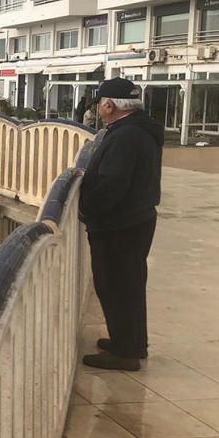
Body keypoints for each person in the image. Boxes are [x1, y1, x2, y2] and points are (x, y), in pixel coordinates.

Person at [79, 78, 163, 371]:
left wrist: (87, 210)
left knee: (116, 286)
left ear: (109, 105)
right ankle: (131, 342)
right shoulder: (139, 129)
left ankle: (126, 354)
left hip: (119, 225)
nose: (99, 108)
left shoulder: (126, 136)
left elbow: (112, 184)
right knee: (129, 285)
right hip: (135, 220)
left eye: (99, 103)